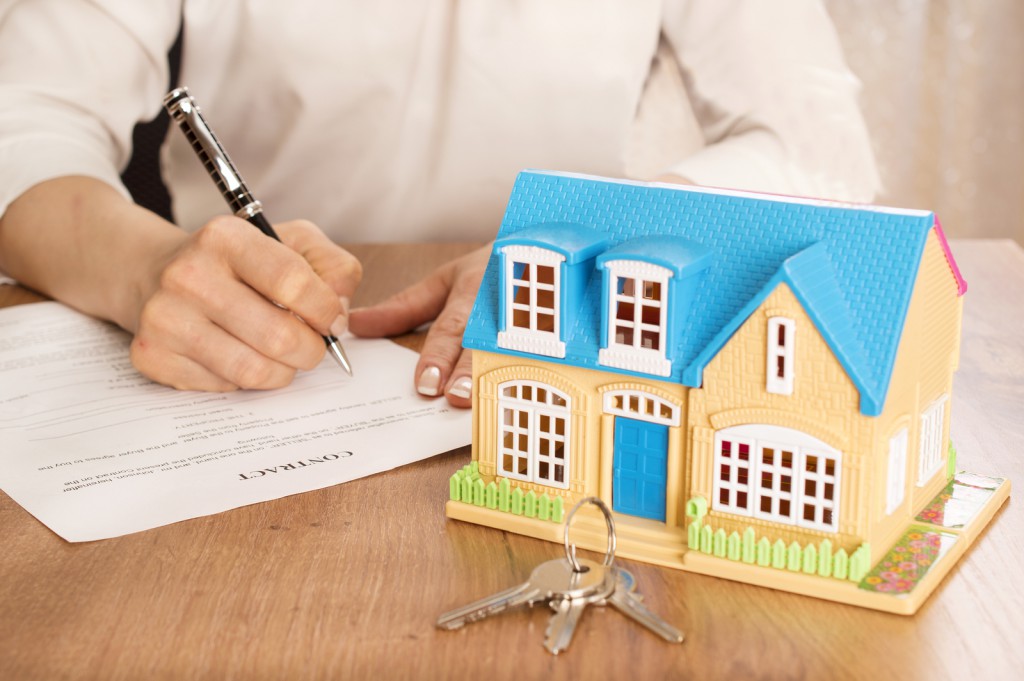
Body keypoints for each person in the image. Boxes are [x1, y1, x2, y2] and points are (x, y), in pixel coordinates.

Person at [0, 1, 879, 407]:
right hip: (253, 348)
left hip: (569, 343)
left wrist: (595, 238)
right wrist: (144, 264)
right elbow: (24, 114)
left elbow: (819, 141)